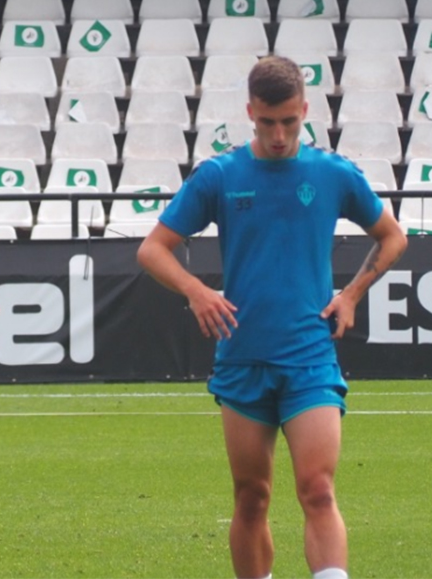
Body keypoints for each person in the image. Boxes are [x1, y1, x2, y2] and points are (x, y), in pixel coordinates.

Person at [137, 56, 407, 579]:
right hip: (242, 358)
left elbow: (392, 236)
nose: (279, 135)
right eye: (267, 122)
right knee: (252, 497)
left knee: (318, 489)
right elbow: (153, 249)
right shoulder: (220, 175)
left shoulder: (333, 173)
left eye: (289, 121)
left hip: (309, 357)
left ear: (305, 110)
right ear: (250, 114)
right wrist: (195, 290)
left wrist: (351, 294)